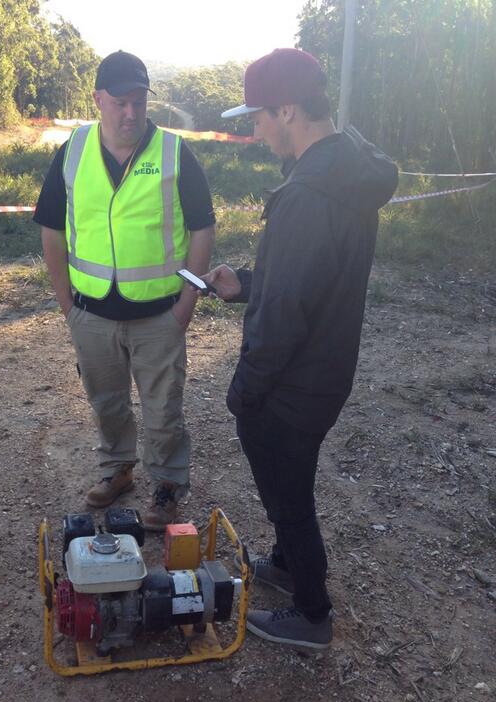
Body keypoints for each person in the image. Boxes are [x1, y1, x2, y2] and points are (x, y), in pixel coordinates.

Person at [200, 48, 398, 648]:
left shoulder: (308, 195)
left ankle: (312, 613)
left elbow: (285, 316)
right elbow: (307, 285)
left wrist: (246, 391)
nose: (254, 131)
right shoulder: (347, 171)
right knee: (294, 480)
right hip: (325, 369)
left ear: (288, 110)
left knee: (289, 493)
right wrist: (248, 288)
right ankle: (285, 565)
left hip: (292, 382)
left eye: (257, 117)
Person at [34, 51, 215, 530]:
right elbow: (51, 228)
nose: (131, 112)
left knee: (163, 409)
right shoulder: (72, 151)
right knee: (106, 401)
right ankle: (117, 470)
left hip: (160, 314)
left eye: (139, 101)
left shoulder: (175, 153)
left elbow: (203, 229)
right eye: (120, 102)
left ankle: (167, 487)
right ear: (98, 100)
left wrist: (186, 303)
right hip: (90, 312)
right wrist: (65, 302)